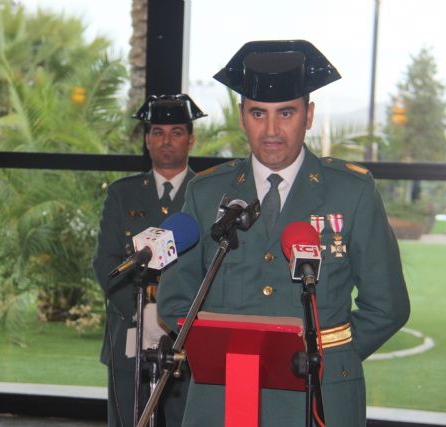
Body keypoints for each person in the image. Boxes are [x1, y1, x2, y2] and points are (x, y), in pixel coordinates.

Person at [157, 40, 411, 427]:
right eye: (258, 113)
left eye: (286, 113)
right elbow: (176, 301)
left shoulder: (352, 191)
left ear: (308, 116)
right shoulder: (207, 193)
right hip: (222, 396)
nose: (272, 130)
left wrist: (327, 355)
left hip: (320, 393)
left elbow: (387, 305)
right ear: (242, 116)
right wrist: (218, 353)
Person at [93, 94, 206, 427]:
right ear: (146, 139)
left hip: (190, 336)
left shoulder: (210, 193)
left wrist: (174, 318)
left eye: (176, 132)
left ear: (191, 138)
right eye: (157, 132)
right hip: (131, 333)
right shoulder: (121, 194)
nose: (166, 141)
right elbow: (106, 264)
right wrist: (143, 314)